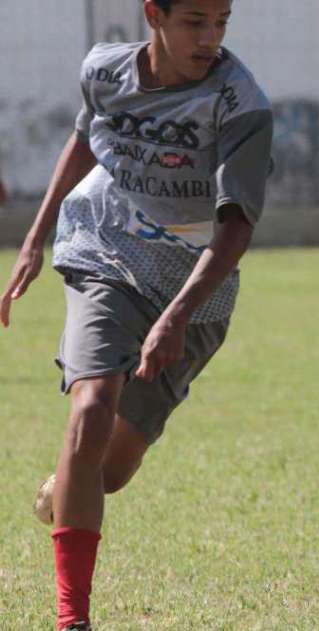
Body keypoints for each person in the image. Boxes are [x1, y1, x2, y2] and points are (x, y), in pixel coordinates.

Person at [1, 1, 272, 628]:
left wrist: (176, 317)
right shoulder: (104, 71)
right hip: (105, 250)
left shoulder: (239, 102)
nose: (210, 38)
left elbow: (234, 229)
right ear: (154, 13)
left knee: (111, 470)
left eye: (222, 22)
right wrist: (33, 239)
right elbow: (84, 140)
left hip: (193, 287)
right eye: (194, 22)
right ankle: (74, 618)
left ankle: (68, 483)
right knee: (91, 405)